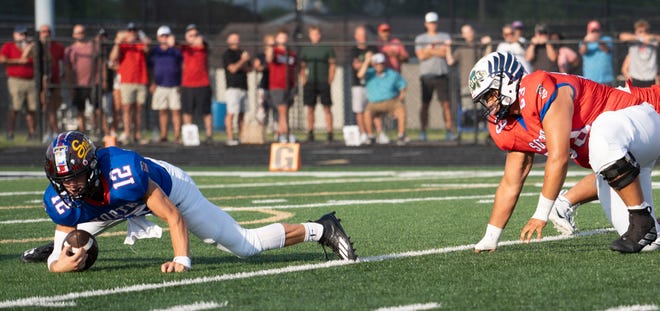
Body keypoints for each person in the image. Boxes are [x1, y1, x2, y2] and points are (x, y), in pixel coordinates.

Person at [24, 131, 356, 272]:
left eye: (77, 176)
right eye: (64, 180)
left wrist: (182, 259)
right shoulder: (62, 197)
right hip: (110, 204)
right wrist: (59, 262)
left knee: (244, 246)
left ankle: (320, 228)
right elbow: (58, 262)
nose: (71, 186)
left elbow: (172, 216)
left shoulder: (125, 172)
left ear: (93, 168)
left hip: (167, 190)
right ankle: (63, 242)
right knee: (69, 240)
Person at [469, 52, 659, 254]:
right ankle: (647, 224)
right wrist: (491, 236)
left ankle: (639, 218)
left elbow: (559, 157)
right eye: (484, 99)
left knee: (601, 132)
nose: (490, 104)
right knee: (649, 242)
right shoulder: (510, 124)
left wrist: (541, 214)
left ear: (507, 81)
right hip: (626, 155)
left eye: (490, 95)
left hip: (642, 119)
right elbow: (511, 182)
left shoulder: (538, 88)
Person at [414, 12, 454, 141]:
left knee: (446, 104)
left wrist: (429, 50)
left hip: (441, 74)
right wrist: (435, 50)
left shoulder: (444, 36)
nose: (433, 25)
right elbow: (420, 56)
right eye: (430, 23)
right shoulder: (420, 38)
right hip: (426, 76)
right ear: (426, 24)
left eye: (434, 22)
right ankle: (423, 131)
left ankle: (449, 130)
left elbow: (445, 53)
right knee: (425, 105)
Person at [109, 22, 150, 145]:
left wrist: (140, 36)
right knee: (126, 108)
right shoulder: (123, 44)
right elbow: (112, 58)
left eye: (134, 31)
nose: (132, 33)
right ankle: (127, 133)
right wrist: (118, 41)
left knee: (139, 108)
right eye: (130, 30)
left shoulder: (140, 43)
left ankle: (137, 134)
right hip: (127, 80)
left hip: (141, 79)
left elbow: (148, 48)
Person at [446, 24, 492, 130]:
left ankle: (482, 128)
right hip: (465, 83)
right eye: (465, 32)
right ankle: (469, 128)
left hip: (480, 83)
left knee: (481, 107)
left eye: (470, 31)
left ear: (473, 32)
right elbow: (450, 61)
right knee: (468, 108)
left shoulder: (478, 46)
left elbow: (487, 58)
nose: (468, 34)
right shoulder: (460, 48)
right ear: (463, 35)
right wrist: (448, 47)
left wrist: (488, 44)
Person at [357, 52, 408, 146]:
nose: (379, 66)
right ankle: (370, 136)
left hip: (391, 101)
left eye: (381, 63)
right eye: (377, 64)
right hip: (374, 103)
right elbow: (360, 75)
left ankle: (401, 136)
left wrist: (400, 99)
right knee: (367, 113)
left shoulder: (392, 74)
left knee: (401, 110)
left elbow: (403, 87)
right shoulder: (370, 73)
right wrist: (367, 61)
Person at [65, 24, 103, 138]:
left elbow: (100, 62)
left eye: (81, 32)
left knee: (96, 109)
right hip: (78, 85)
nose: (79, 35)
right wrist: (70, 85)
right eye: (77, 32)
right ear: (73, 34)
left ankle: (96, 130)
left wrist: (102, 79)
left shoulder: (92, 46)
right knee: (80, 110)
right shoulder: (70, 50)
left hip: (93, 83)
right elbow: (67, 69)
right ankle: (83, 134)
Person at [300, 25, 336, 143]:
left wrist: (330, 79)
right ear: (310, 35)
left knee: (327, 108)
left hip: (323, 81)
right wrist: (304, 79)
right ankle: (310, 132)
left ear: (320, 35)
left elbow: (332, 64)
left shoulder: (326, 48)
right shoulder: (306, 49)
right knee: (310, 108)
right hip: (310, 82)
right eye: (313, 34)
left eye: (317, 34)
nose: (316, 36)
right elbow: (302, 66)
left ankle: (330, 132)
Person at [0, 25, 37, 141]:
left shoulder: (31, 47)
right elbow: (2, 59)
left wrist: (30, 47)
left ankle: (32, 134)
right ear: (14, 35)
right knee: (14, 108)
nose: (23, 37)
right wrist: (17, 61)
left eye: (25, 34)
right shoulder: (8, 46)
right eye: (21, 34)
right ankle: (10, 132)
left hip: (31, 81)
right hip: (16, 80)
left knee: (31, 109)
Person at [148, 25, 182, 144]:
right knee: (162, 111)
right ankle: (164, 135)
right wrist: (152, 82)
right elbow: (150, 69)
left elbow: (183, 65)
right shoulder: (154, 51)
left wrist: (181, 83)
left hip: (174, 85)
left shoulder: (175, 51)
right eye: (162, 36)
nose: (164, 38)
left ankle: (177, 136)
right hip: (160, 85)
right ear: (158, 37)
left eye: (167, 35)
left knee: (176, 111)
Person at [180, 24, 214, 144]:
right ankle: (189, 136)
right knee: (187, 111)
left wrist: (200, 41)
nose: (193, 38)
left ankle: (209, 135)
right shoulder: (184, 48)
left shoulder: (203, 47)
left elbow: (207, 45)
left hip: (203, 83)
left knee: (206, 111)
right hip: (187, 84)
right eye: (191, 35)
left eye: (195, 35)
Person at [266, 28, 297, 143]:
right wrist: (270, 46)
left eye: (285, 37)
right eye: (281, 37)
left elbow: (295, 70)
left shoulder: (291, 54)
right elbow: (269, 58)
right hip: (277, 86)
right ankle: (283, 134)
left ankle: (283, 133)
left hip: (289, 86)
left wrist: (295, 85)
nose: (283, 39)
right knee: (282, 110)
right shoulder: (275, 52)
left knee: (285, 111)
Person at [350, 25, 380, 144]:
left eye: (364, 35)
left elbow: (378, 64)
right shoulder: (353, 50)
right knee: (360, 111)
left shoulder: (373, 48)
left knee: (375, 110)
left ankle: (379, 133)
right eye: (360, 35)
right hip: (358, 85)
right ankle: (363, 134)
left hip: (372, 84)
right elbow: (356, 67)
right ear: (356, 36)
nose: (363, 37)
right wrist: (367, 61)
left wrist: (370, 62)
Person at [222, 32, 250, 146]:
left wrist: (244, 61)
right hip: (232, 87)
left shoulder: (242, 53)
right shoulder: (227, 54)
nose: (236, 41)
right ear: (228, 41)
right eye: (233, 39)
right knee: (231, 113)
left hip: (243, 87)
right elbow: (232, 69)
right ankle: (230, 137)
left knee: (242, 113)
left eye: (237, 39)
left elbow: (249, 69)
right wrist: (242, 60)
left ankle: (240, 137)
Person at [38, 24, 65, 143]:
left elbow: (57, 62)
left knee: (52, 107)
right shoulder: (36, 46)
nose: (46, 34)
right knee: (45, 107)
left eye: (48, 31)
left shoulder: (57, 47)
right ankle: (44, 131)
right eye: (43, 31)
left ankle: (53, 131)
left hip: (53, 81)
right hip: (38, 81)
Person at [619, 19, 660, 87]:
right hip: (635, 79)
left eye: (645, 31)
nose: (643, 33)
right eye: (640, 31)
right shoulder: (633, 42)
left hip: (651, 80)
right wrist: (640, 38)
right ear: (636, 32)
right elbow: (622, 36)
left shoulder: (653, 42)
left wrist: (652, 37)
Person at [253, 34, 277, 139]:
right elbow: (257, 67)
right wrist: (267, 63)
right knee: (262, 111)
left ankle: (278, 135)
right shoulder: (261, 56)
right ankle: (261, 135)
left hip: (275, 87)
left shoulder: (278, 56)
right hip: (264, 86)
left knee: (276, 111)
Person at [578, 20, 614, 85]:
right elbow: (582, 52)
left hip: (606, 79)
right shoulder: (584, 41)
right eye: (592, 31)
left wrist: (597, 40)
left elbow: (607, 49)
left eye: (597, 31)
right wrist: (586, 42)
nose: (595, 33)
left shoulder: (607, 39)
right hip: (589, 80)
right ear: (588, 31)